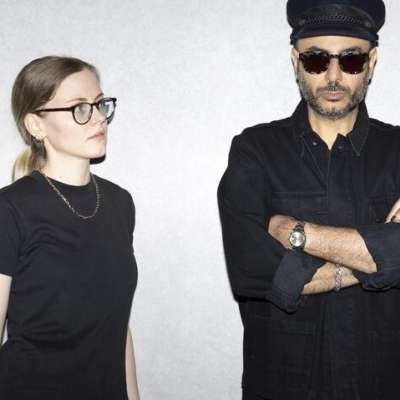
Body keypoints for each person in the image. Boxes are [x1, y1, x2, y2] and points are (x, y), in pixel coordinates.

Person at [218, 1, 400, 399]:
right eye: (316, 60)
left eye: (351, 61)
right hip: (283, 386)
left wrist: (297, 233)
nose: (333, 76)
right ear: (295, 62)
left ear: (371, 63)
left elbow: (281, 270)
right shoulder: (255, 151)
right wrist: (383, 257)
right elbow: (252, 269)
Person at [0, 56, 140, 399]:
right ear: (36, 125)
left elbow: (116, 323)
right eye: (79, 108)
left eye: (100, 104)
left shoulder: (119, 203)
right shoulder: (11, 209)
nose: (98, 118)